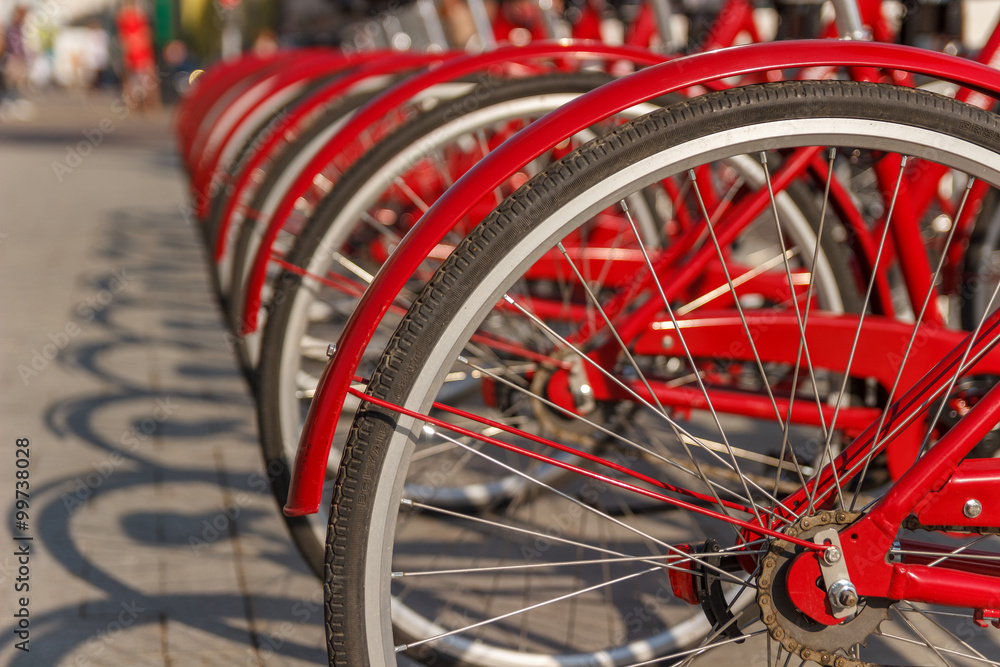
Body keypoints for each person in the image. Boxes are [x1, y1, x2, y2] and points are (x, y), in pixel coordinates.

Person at [116, 0, 160, 111]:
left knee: (148, 80)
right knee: (131, 81)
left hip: (143, 54)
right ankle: (133, 105)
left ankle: (149, 105)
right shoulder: (123, 18)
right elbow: (123, 38)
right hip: (132, 54)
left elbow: (146, 34)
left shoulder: (140, 16)